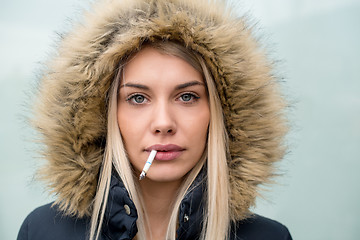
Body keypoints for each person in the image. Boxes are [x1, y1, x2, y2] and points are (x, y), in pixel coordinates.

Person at [17, 0, 292, 239]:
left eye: (187, 97)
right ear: (103, 116)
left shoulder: (269, 237)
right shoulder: (44, 231)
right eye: (138, 98)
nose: (163, 123)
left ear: (220, 115)